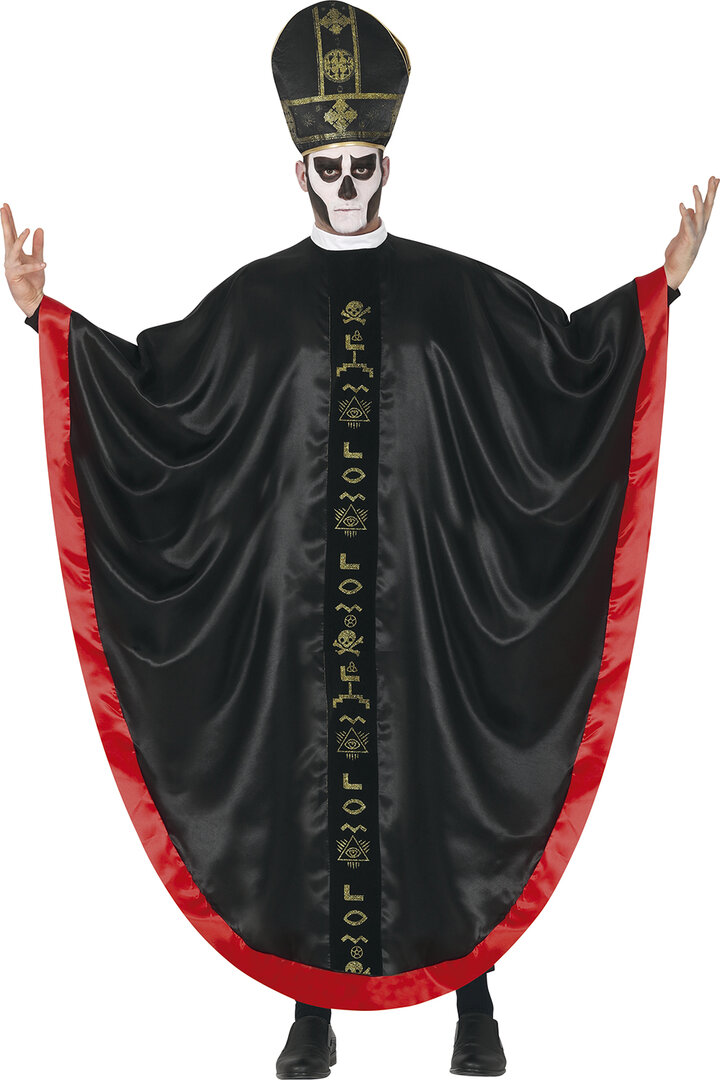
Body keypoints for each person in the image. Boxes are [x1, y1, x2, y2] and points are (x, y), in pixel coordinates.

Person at [2, 3, 716, 1078]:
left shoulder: (453, 291)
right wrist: (43, 318)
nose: (347, 184)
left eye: (362, 165)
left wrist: (663, 287)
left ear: (389, 164)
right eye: (329, 168)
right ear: (300, 173)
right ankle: (312, 1009)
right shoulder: (256, 302)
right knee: (304, 801)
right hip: (297, 615)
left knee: (445, 787)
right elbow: (158, 396)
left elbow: (563, 368)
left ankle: (474, 996)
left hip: (424, 602)